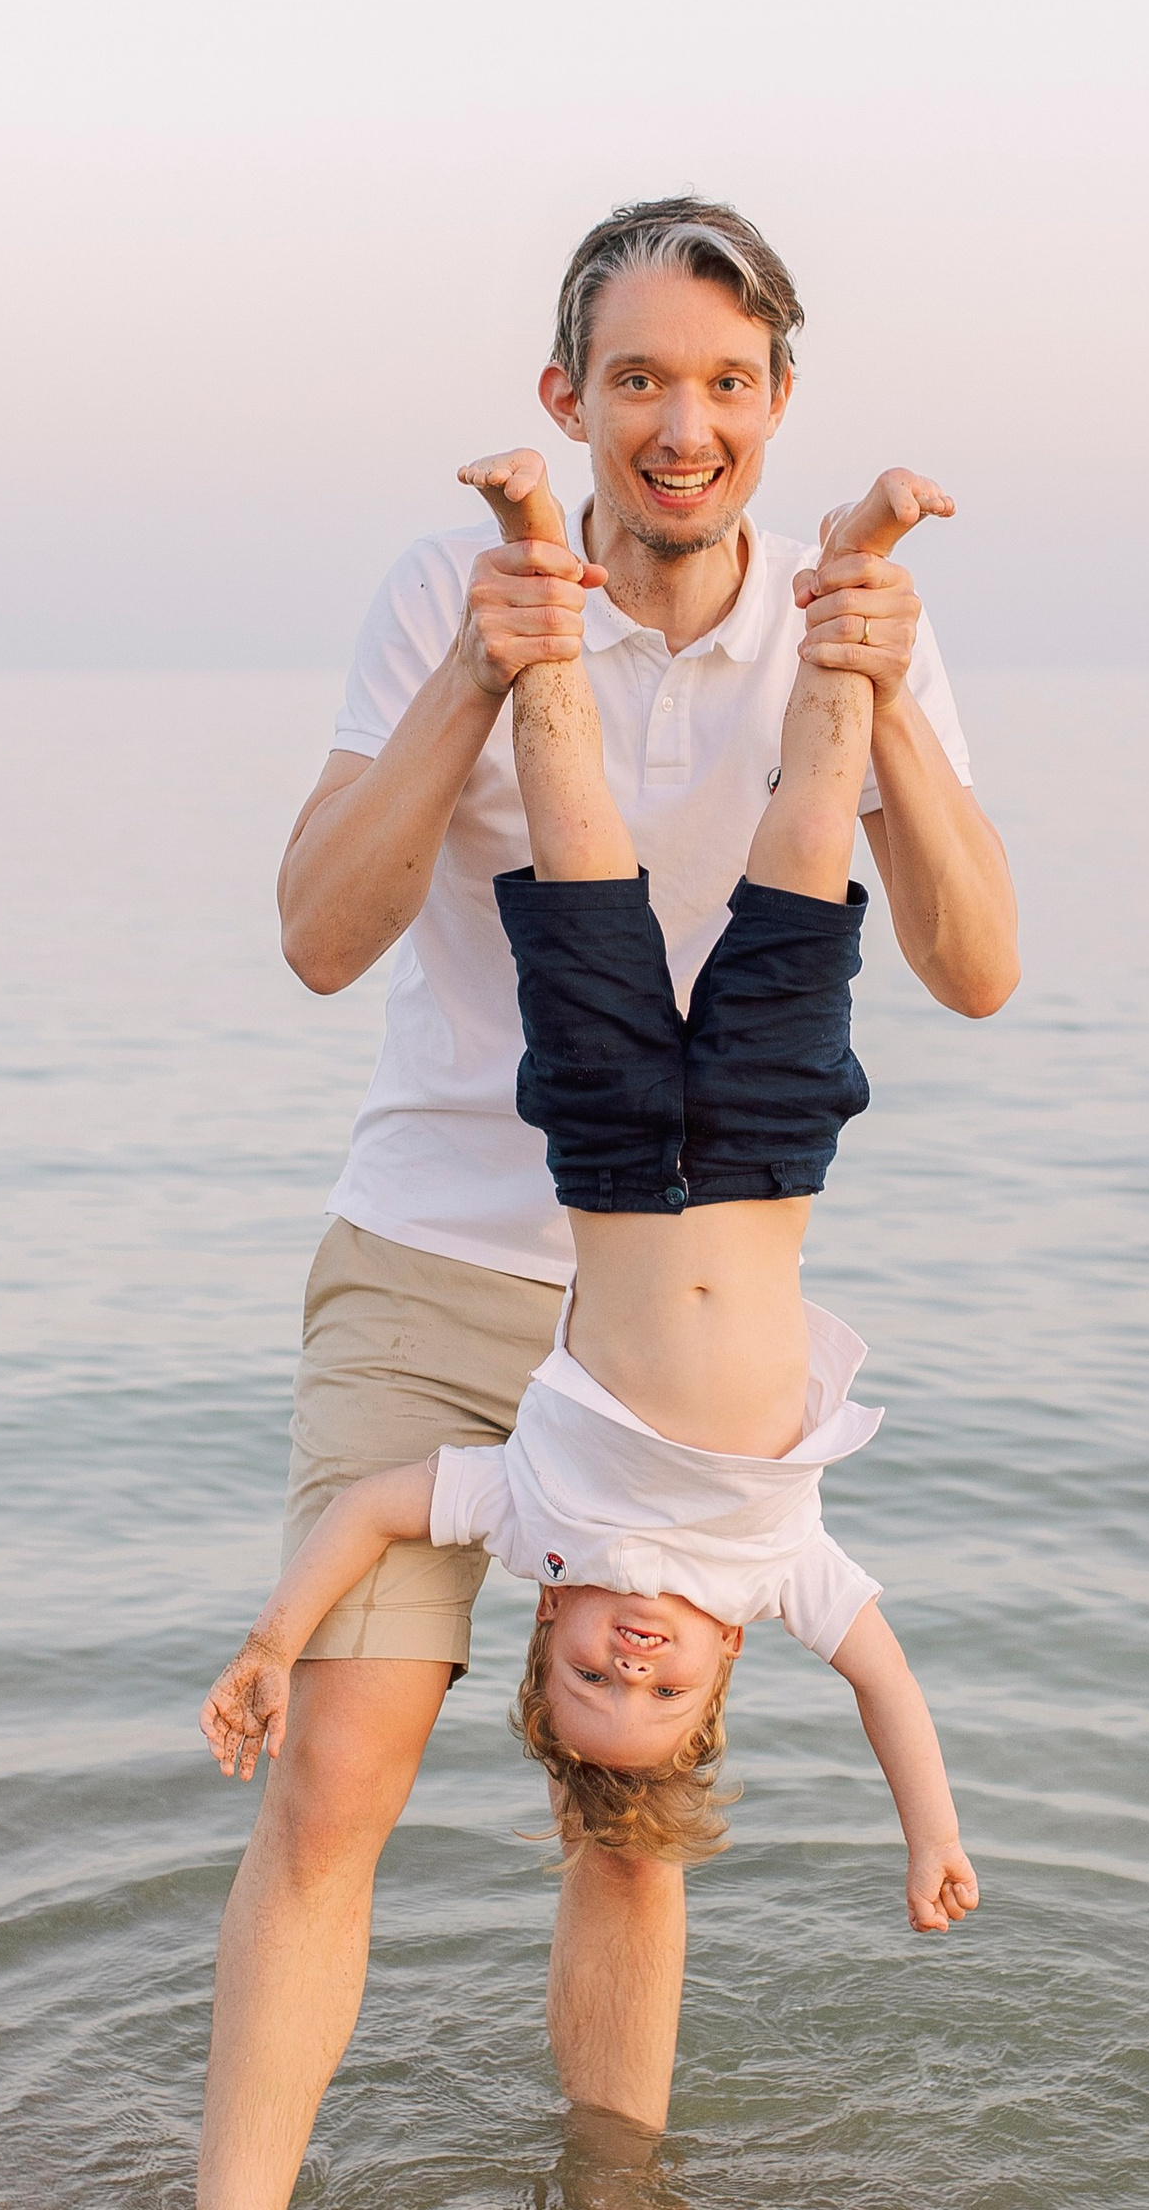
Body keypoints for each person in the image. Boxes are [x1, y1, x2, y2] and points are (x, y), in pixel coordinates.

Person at [194, 197, 1019, 2210]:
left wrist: (888, 701)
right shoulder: (443, 588)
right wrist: (485, 672)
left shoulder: (843, 619)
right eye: (636, 378)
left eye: (721, 383)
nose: (680, 423)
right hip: (442, 1251)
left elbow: (976, 968)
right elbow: (314, 935)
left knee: (624, 1821)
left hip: (665, 1338)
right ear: (567, 400)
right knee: (338, 1778)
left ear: (775, 404)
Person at [202, 447, 979, 1951]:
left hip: (611, 1157)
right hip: (766, 1155)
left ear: (542, 1642)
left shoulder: (538, 1524)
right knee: (809, 853)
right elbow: (888, 1681)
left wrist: (270, 1643)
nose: (633, 1660)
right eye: (661, 1688)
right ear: (723, 1670)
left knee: (578, 869)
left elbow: (374, 1509)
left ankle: (537, 556)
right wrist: (931, 1835)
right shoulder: (774, 1580)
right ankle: (855, 568)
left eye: (589, 1682)